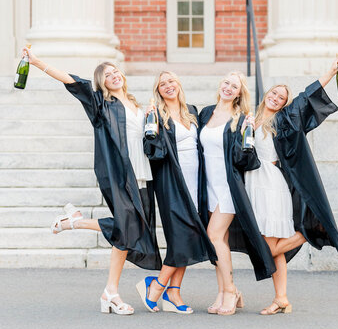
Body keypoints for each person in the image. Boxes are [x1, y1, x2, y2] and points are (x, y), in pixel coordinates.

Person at [22, 47, 161, 315]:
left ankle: (109, 289)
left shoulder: (136, 104)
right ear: (102, 83)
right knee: (126, 226)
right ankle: (76, 226)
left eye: (115, 71)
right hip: (121, 174)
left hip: (143, 173)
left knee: (129, 232)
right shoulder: (100, 104)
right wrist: (38, 62)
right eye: (107, 75)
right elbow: (71, 80)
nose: (113, 76)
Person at [245, 59, 338, 315]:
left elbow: (305, 97)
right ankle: (281, 298)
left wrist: (331, 72)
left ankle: (306, 235)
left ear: (283, 104)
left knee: (268, 247)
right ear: (267, 95)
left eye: (281, 97)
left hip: (271, 185)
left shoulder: (285, 120)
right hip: (254, 184)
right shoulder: (252, 118)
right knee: (275, 246)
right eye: (274, 93)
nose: (276, 98)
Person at [137, 71, 217, 315]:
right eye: (162, 84)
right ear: (158, 91)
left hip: (196, 181)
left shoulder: (191, 111)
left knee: (190, 234)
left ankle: (174, 293)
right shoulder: (156, 114)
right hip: (171, 181)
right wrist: (152, 126)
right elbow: (152, 152)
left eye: (171, 81)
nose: (168, 86)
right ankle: (158, 285)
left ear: (179, 84)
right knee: (181, 234)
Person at [198, 72, 276, 316]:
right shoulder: (206, 112)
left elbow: (244, 157)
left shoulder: (241, 118)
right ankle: (223, 292)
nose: (229, 88)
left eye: (235, 86)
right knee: (218, 241)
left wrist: (248, 133)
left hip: (228, 185)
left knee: (214, 234)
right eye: (227, 83)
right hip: (208, 183)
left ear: (240, 93)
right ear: (220, 84)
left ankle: (230, 290)